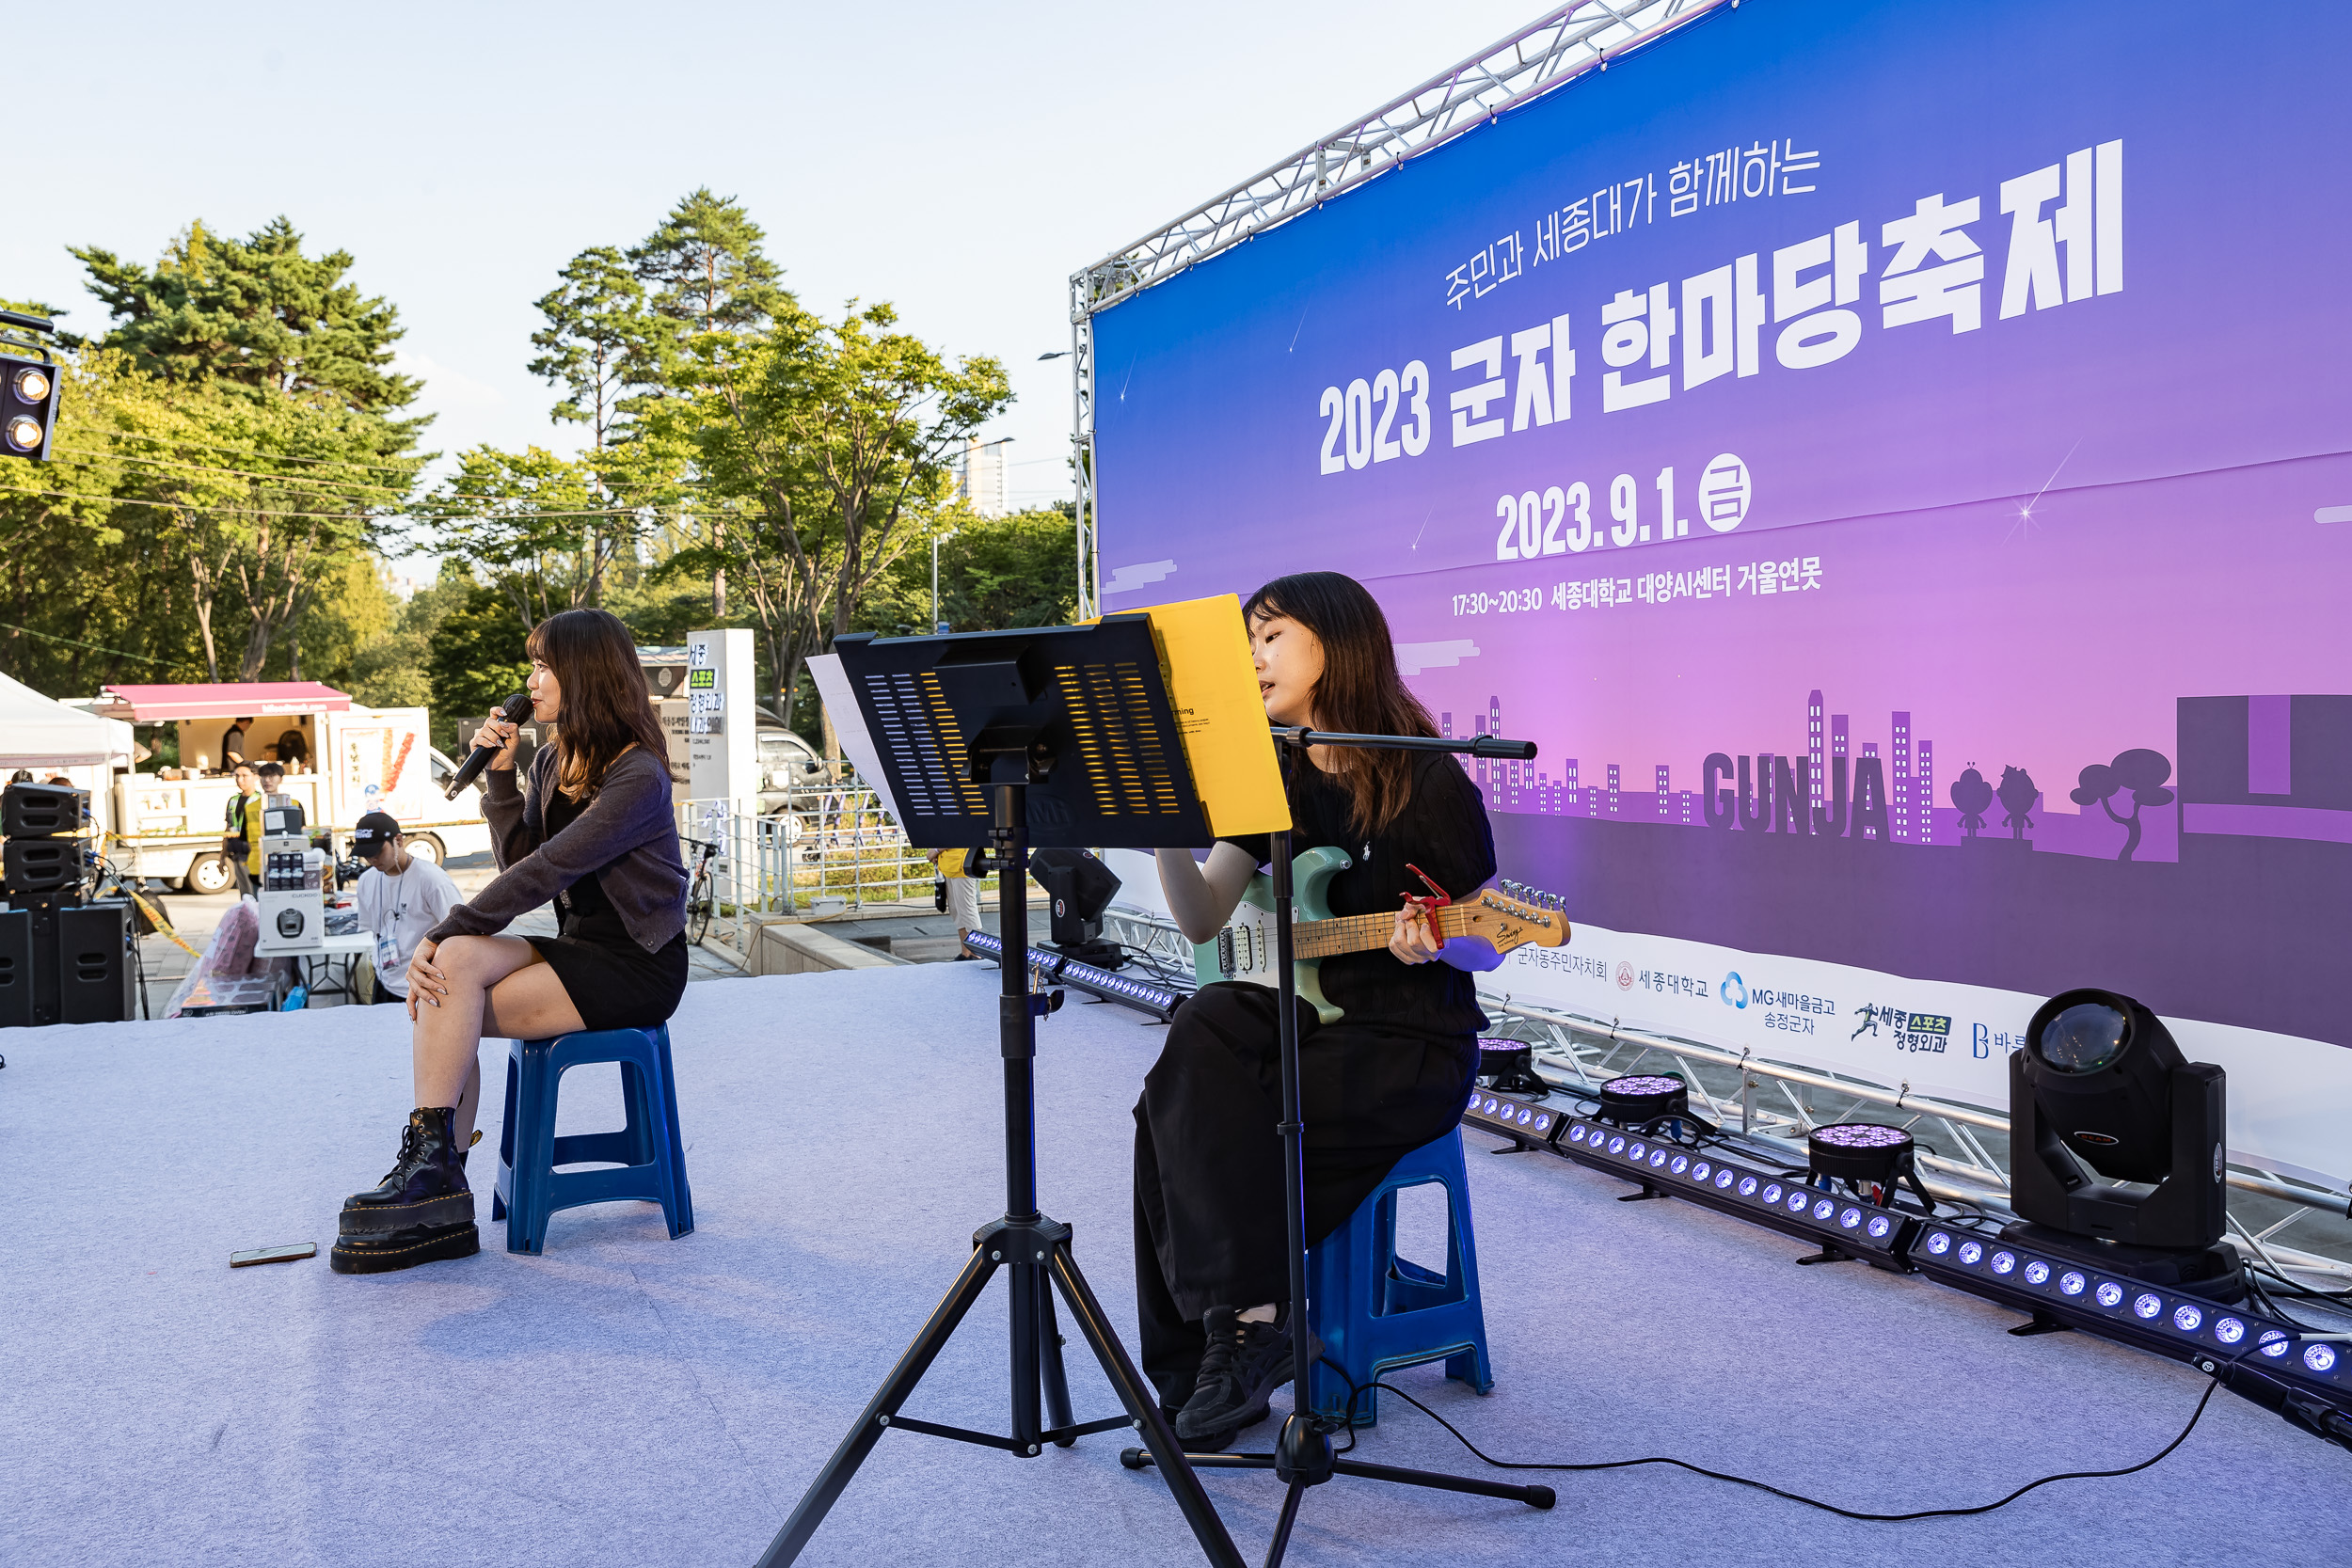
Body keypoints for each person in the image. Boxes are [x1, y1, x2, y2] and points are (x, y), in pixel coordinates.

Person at [1137, 571, 1494, 1449]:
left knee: (1184, 1116)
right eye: (1250, 640)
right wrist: (1166, 824)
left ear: (1336, 645)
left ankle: (1227, 1342)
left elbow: (1485, 938)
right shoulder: (1272, 772)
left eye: (1272, 637)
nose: (1254, 657)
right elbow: (1203, 916)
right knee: (1198, 1041)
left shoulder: (1425, 776)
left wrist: (1435, 941)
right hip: (1307, 1013)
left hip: (1410, 1037)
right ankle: (1242, 1334)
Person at [329, 608, 688, 1275]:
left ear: (586, 672)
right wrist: (499, 776)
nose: (531, 680)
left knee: (447, 974)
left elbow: (548, 870)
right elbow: (522, 857)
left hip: (638, 965)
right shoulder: (553, 758)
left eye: (545, 665)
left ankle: (435, 1180)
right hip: (579, 944)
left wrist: (439, 928)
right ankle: (437, 1165)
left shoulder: (638, 773)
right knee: (455, 965)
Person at [349, 811, 462, 1008]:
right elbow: (374, 930)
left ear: (398, 840)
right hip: (384, 981)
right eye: (366, 855)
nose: (372, 859)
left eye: (377, 851)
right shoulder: (367, 881)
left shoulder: (432, 879)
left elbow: (460, 935)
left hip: (425, 986)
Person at [220, 764, 261, 897]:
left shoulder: (260, 800)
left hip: (254, 855)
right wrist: (222, 857)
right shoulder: (233, 800)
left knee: (256, 895)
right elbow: (228, 829)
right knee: (245, 897)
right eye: (237, 776)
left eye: (245, 776)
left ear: (255, 777)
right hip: (237, 853)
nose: (240, 779)